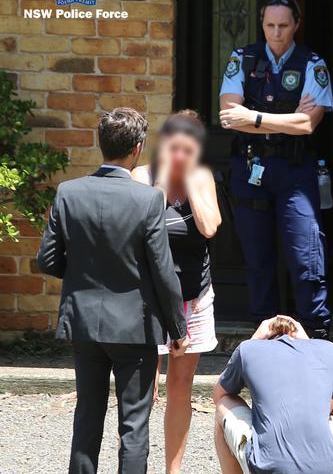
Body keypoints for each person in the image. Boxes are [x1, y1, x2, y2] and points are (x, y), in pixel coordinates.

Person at [36, 107, 189, 474]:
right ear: (137, 148)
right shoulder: (149, 199)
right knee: (134, 424)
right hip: (135, 326)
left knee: (87, 414)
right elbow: (163, 272)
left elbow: (47, 260)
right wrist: (178, 330)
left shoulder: (69, 193)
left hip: (84, 322)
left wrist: (80, 278)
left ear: (99, 143)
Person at [218, 0, 333, 338]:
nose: (277, 32)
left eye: (284, 25)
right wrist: (287, 117)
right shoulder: (242, 58)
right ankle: (262, 332)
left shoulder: (313, 63)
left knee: (305, 254)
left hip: (294, 170)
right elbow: (228, 117)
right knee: (257, 255)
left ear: (296, 25)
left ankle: (314, 330)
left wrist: (252, 116)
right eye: (270, 25)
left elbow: (307, 125)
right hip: (251, 168)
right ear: (262, 24)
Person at [132, 110, 222, 473]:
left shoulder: (202, 177)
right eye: (175, 146)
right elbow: (141, 227)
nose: (181, 154)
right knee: (143, 391)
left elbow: (210, 227)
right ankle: (137, 463)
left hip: (192, 299)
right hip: (148, 301)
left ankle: (174, 469)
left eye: (189, 148)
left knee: (180, 387)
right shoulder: (142, 177)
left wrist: (190, 183)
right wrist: (165, 182)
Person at [212, 316, 333, 474]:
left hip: (267, 467)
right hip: (328, 468)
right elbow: (326, 409)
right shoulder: (330, 350)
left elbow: (218, 395)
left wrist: (254, 339)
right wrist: (307, 341)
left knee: (224, 403)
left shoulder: (249, 349)